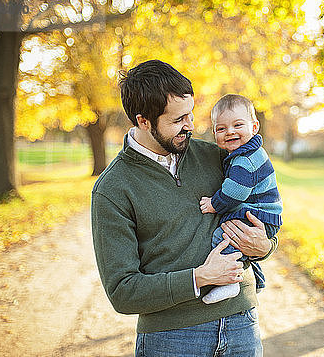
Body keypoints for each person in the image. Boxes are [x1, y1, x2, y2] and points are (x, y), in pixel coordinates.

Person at [91, 60, 277, 357]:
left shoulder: (216, 156)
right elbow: (122, 292)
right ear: (144, 121)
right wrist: (200, 277)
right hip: (172, 339)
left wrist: (265, 245)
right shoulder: (112, 189)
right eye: (178, 120)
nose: (190, 125)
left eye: (190, 114)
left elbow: (264, 207)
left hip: (242, 324)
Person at [199, 94, 282, 304]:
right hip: (261, 213)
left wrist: (213, 204)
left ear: (254, 127)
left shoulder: (246, 159)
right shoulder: (245, 154)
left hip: (258, 216)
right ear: (214, 132)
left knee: (223, 237)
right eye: (221, 128)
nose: (230, 132)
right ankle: (258, 279)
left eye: (238, 125)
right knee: (238, 245)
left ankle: (229, 283)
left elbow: (235, 192)